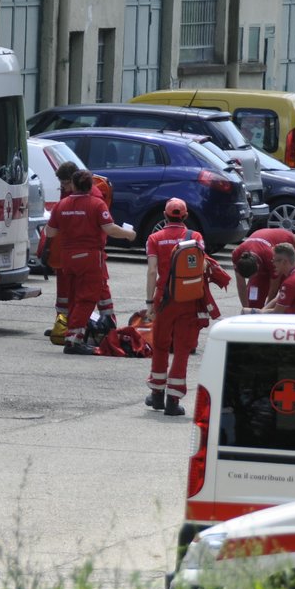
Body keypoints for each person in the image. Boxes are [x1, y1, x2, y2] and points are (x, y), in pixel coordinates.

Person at [143, 197, 231, 416]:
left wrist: (148, 302)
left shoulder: (154, 238)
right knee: (182, 349)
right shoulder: (195, 237)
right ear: (185, 216)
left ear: (164, 215)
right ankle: (173, 400)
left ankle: (156, 395)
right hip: (189, 298)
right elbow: (201, 264)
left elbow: (152, 271)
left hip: (164, 299)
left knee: (161, 346)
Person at [47, 170, 134, 354]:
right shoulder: (96, 204)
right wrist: (129, 234)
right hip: (89, 257)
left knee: (71, 296)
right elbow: (110, 229)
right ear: (90, 186)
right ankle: (74, 340)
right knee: (87, 298)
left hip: (67, 257)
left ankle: (73, 334)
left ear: (74, 185)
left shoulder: (61, 204)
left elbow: (50, 232)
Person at [228, 226, 295, 312]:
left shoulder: (271, 256)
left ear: (258, 267)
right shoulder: (237, 254)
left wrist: (264, 311)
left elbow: (274, 289)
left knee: (286, 294)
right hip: (263, 251)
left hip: (290, 248)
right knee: (253, 300)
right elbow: (241, 285)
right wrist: (247, 310)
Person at [262, 241, 295, 314]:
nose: (273, 264)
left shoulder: (290, 283)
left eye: (274, 260)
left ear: (284, 262)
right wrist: (262, 310)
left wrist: (255, 312)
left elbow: (277, 312)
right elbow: (278, 298)